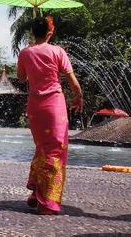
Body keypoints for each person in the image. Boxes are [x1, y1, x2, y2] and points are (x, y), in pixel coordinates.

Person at [17, 16, 84, 215]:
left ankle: (37, 191)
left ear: (32, 33)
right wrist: (78, 97)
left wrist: (30, 56)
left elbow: (21, 78)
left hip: (35, 106)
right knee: (55, 150)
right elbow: (71, 80)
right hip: (54, 104)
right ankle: (47, 202)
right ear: (49, 32)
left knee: (42, 148)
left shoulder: (25, 52)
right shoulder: (57, 51)